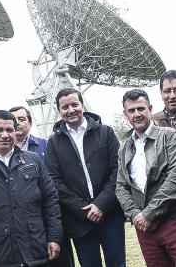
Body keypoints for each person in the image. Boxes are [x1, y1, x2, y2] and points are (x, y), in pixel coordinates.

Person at [0, 110, 63, 267]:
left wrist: (54, 237)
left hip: (36, 249)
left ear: (15, 132)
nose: (5, 135)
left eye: (9, 130)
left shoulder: (33, 160)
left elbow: (50, 200)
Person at [116, 89, 176, 267]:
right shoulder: (125, 148)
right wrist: (136, 216)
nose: (137, 114)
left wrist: (150, 214)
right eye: (131, 111)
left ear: (150, 108)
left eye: (141, 108)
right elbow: (121, 186)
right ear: (125, 114)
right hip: (144, 227)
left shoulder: (169, 136)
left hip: (174, 219)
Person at [45, 88, 125, 267]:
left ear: (82, 105)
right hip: (79, 219)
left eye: (75, 104)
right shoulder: (54, 143)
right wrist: (83, 208)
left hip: (110, 213)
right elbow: (54, 181)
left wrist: (101, 204)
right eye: (65, 107)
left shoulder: (106, 133)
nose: (71, 110)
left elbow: (118, 170)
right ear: (59, 111)